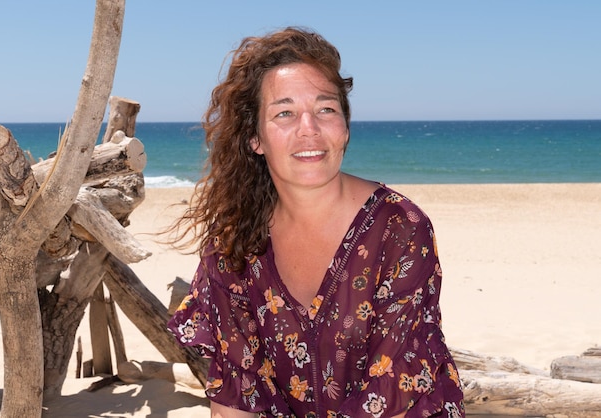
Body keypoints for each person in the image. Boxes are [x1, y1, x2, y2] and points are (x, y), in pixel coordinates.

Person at [167, 27, 464, 418]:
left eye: (326, 109)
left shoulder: (399, 228)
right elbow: (235, 397)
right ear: (255, 138)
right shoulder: (234, 243)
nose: (309, 128)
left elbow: (394, 387)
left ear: (344, 127)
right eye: (284, 113)